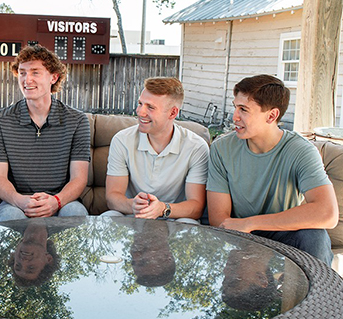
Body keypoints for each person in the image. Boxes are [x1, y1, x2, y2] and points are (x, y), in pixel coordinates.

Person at [207, 74, 339, 265]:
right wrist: (245, 229)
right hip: (238, 236)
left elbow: (327, 213)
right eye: (235, 107)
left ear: (271, 116)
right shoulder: (221, 148)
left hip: (283, 234)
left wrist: (251, 223)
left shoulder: (301, 151)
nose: (234, 116)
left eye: (243, 109)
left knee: (315, 236)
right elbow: (219, 219)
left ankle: (320, 294)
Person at [0, 44, 91, 222]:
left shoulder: (77, 120)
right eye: (22, 73)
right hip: (17, 202)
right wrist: (20, 201)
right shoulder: (0, 120)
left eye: (35, 72)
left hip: (62, 201)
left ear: (53, 77)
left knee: (75, 213)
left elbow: (79, 178)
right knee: (10, 215)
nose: (27, 80)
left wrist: (56, 201)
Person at [103, 77, 208, 223]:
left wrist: (162, 209)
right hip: (132, 218)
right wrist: (133, 205)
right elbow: (113, 197)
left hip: (173, 220)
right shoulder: (122, 140)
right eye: (140, 104)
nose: (140, 112)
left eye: (150, 107)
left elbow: (196, 206)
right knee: (108, 217)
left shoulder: (197, 147)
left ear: (172, 113)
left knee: (189, 223)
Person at [8, 219, 61, 287]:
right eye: (31, 267)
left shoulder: (6, 219)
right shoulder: (71, 220)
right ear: (48, 259)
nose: (24, 261)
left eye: (18, 265)